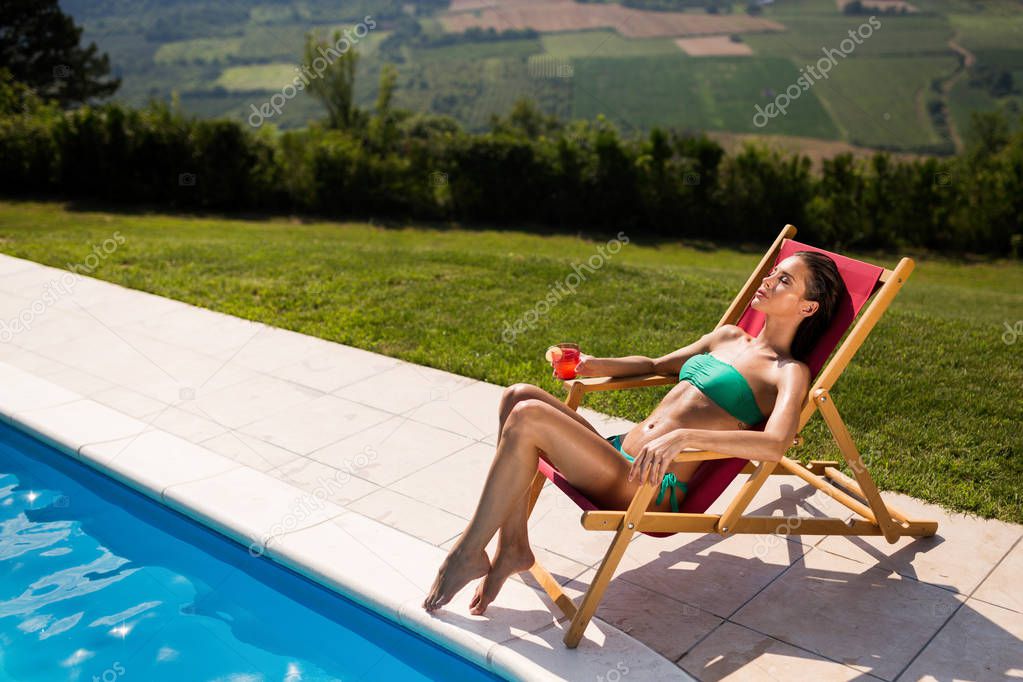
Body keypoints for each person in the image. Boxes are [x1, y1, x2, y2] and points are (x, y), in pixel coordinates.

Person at [423, 251, 846, 615]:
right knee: (517, 396)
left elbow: (775, 444)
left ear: (807, 307)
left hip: (647, 484)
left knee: (529, 416)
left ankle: (465, 552)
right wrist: (594, 364)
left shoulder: (787, 372)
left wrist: (686, 438)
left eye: (784, 280)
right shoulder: (728, 336)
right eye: (773, 273)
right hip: (615, 455)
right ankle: (512, 545)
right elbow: (655, 365)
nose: (769, 281)